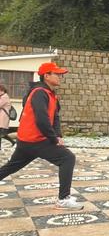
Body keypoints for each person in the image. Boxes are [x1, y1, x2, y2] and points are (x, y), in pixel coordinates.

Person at [0, 62, 82, 210]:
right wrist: (53, 139)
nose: (60, 77)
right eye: (57, 74)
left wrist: (58, 135)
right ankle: (63, 199)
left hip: (27, 140)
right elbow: (42, 119)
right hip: (35, 139)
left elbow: (55, 116)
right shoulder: (39, 92)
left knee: (11, 167)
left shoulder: (50, 94)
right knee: (67, 158)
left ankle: (64, 198)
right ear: (47, 75)